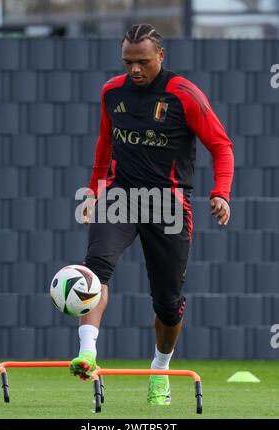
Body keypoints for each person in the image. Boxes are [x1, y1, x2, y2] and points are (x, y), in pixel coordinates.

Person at [70, 23, 234, 405]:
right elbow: (105, 143)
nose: (135, 70)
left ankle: (160, 370)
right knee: (95, 267)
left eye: (142, 61)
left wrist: (221, 193)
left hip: (169, 204)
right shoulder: (112, 92)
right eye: (128, 62)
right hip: (121, 195)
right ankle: (87, 354)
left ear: (161, 55)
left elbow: (221, 146)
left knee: (168, 302)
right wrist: (95, 191)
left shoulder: (184, 94)